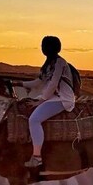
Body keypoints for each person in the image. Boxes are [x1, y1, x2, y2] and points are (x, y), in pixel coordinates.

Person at [21, 36, 76, 168]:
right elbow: (39, 82)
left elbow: (53, 84)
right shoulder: (49, 64)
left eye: (44, 46)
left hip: (62, 99)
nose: (42, 48)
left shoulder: (59, 63)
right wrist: (19, 84)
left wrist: (41, 101)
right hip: (53, 97)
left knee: (34, 120)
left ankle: (37, 157)